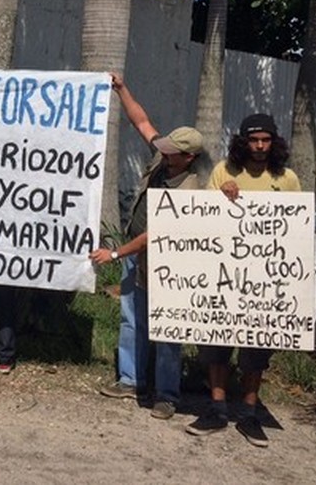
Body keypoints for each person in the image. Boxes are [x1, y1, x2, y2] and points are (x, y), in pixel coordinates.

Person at [90, 74, 203, 420]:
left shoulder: (190, 189)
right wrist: (122, 88)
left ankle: (167, 395)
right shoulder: (162, 159)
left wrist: (114, 253)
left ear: (189, 157)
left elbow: (156, 233)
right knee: (132, 319)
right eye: (165, 148)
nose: (164, 153)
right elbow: (141, 121)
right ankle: (131, 380)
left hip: (166, 264)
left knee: (167, 329)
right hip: (135, 257)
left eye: (172, 152)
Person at [185, 113, 301, 447]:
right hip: (223, 277)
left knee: (255, 350)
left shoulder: (288, 178)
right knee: (217, 345)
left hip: (265, 284)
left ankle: (249, 414)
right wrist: (221, 194)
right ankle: (217, 408)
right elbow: (202, 216)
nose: (260, 146)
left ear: (274, 142)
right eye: (254, 140)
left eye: (265, 140)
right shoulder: (224, 171)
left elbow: (295, 230)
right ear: (243, 142)